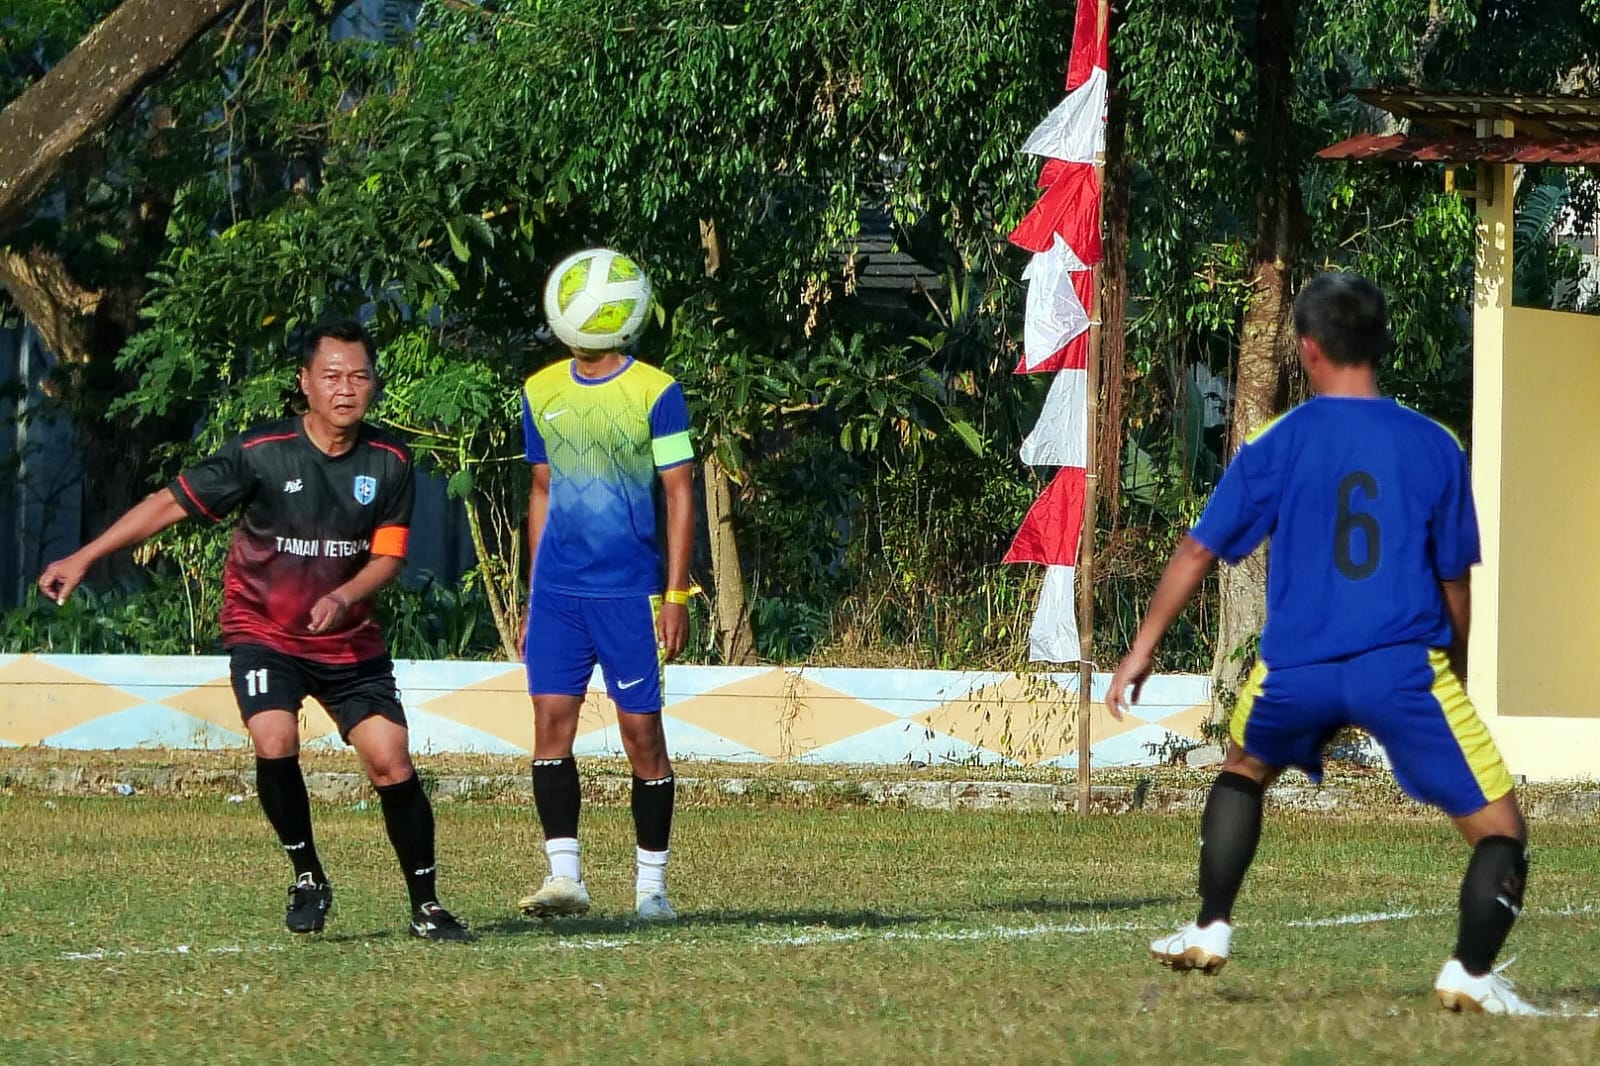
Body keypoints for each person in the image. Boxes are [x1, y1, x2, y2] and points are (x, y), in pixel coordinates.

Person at [1106, 273, 1538, 1015]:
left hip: (1295, 671)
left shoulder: (1280, 439)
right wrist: (1454, 673)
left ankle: (1211, 925)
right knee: (1500, 830)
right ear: (1381, 341)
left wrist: (1142, 646)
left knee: (1244, 767)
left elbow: (1198, 549)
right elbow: (1454, 583)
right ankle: (1470, 972)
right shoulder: (1435, 444)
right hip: (1400, 669)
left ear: (1307, 348)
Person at [38, 320, 470, 942]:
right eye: (332, 376)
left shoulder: (391, 460)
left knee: (390, 760)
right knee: (274, 736)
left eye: (359, 376)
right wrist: (84, 557)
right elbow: (169, 502)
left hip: (348, 639)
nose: (346, 388)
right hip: (264, 629)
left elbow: (389, 557)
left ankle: (426, 905)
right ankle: (308, 877)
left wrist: (344, 596)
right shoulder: (261, 452)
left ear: (374, 384)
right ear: (305, 382)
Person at [515, 256, 695, 924]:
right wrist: (534, 594)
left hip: (629, 594)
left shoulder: (657, 391)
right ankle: (564, 878)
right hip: (559, 595)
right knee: (549, 726)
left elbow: (680, 494)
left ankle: (652, 889)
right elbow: (541, 489)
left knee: (641, 734)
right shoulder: (538, 391)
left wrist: (674, 596)